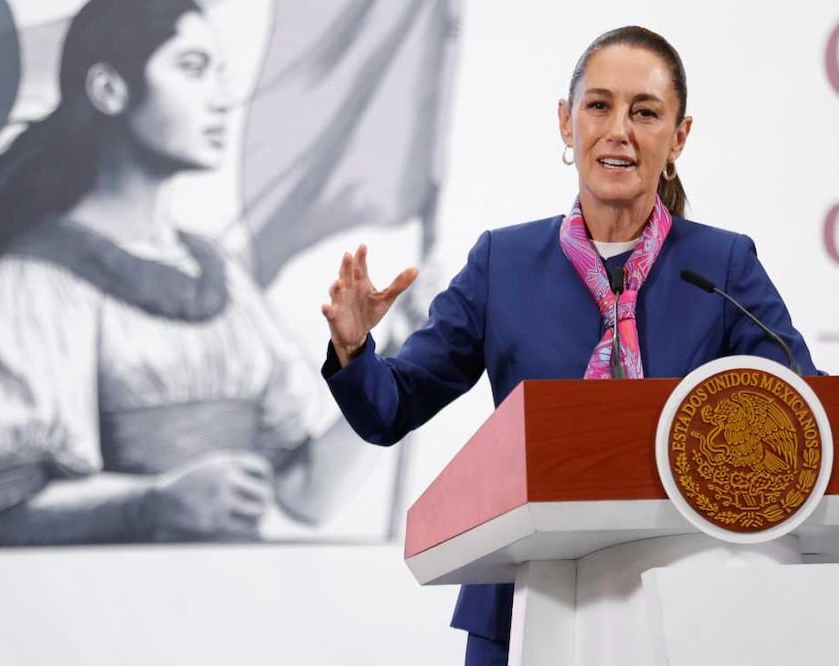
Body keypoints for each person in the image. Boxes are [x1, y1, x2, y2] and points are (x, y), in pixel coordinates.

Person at [319, 25, 821, 666]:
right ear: (566, 122)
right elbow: (391, 408)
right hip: (520, 606)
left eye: (645, 112)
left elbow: (799, 408)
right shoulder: (502, 262)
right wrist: (356, 349)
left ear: (679, 137)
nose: (618, 130)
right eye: (599, 105)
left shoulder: (721, 265)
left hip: (690, 604)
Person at [0, 0, 368, 548]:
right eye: (192, 69)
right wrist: (153, 503)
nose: (221, 99)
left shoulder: (222, 278)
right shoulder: (37, 279)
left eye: (219, 73)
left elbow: (307, 494)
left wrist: (406, 363)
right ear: (109, 90)